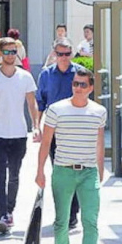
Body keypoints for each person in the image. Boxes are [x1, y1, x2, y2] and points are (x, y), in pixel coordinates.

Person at [35, 69, 106, 244]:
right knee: (61, 220)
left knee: (90, 221)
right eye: (75, 84)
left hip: (88, 172)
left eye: (83, 85)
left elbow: (100, 142)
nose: (78, 88)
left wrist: (100, 169)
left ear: (91, 88)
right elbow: (46, 142)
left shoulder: (99, 111)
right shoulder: (56, 109)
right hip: (63, 171)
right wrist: (40, 170)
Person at [0, 38, 40, 234]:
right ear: (0, 53)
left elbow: (32, 103)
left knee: (14, 175)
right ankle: (1, 215)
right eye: (7, 52)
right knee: (0, 176)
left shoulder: (25, 77)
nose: (11, 55)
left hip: (19, 133)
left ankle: (9, 210)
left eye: (13, 52)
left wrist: (36, 126)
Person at [36, 37, 84, 229]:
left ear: (71, 53)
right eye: (60, 54)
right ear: (54, 54)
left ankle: (73, 212)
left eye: (67, 53)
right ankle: (64, 212)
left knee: (77, 171)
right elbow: (40, 102)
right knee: (60, 172)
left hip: (77, 130)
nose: (64, 57)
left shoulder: (80, 74)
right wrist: (37, 126)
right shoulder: (46, 75)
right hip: (54, 130)